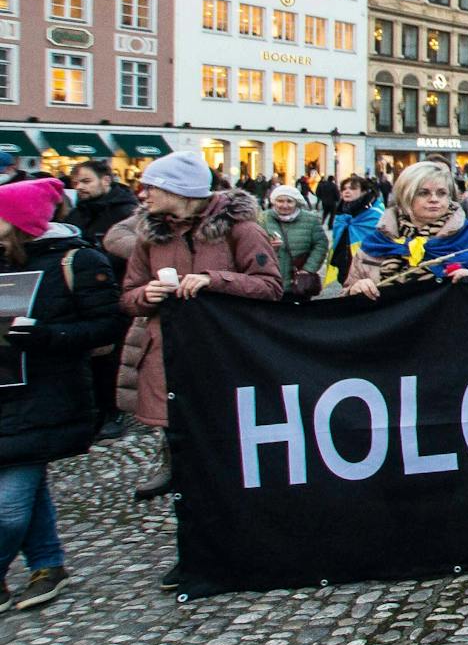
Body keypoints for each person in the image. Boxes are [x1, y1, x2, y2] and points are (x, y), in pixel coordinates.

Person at [118, 153, 282, 522]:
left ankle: (241, 526)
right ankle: (196, 538)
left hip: (225, 354)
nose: (143, 195)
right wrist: (147, 295)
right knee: (185, 449)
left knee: (225, 451)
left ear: (180, 190)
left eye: (152, 187)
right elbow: (128, 296)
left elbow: (271, 287)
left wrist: (214, 280)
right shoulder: (151, 235)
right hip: (169, 354)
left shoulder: (240, 229)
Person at [0, 177, 123, 613]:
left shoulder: (78, 261)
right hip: (7, 389)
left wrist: (47, 335)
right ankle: (47, 564)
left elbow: (107, 328)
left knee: (10, 502)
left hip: (45, 391)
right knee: (25, 487)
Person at [344, 161, 468, 299]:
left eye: (442, 193)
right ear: (406, 196)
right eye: (423, 193)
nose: (434, 199)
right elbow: (346, 297)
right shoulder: (377, 241)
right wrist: (355, 290)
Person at [68, 160, 140, 438]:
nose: (80, 187)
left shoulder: (125, 214)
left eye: (86, 181)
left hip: (117, 293)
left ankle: (113, 412)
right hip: (83, 296)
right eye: (77, 182)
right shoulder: (77, 213)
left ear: (106, 181)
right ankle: (93, 410)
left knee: (113, 357)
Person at [259, 185, 330, 300]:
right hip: (271, 279)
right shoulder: (262, 219)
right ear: (273, 202)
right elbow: (253, 245)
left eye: (289, 201)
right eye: (280, 201)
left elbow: (321, 245)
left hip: (298, 280)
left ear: (296, 202)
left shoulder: (310, 220)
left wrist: (309, 269)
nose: (284, 205)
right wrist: (268, 246)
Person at [326, 175, 384, 287]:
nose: (347, 191)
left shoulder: (376, 214)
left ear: (364, 191)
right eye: (344, 189)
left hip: (367, 269)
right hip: (344, 266)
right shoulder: (341, 214)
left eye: (352, 188)